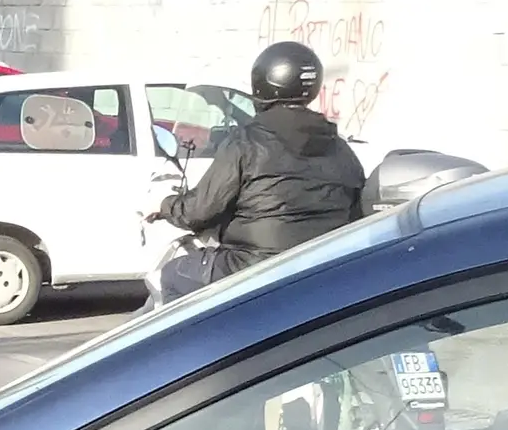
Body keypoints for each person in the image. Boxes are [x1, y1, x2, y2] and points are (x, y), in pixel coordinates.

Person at [158, 40, 369, 282]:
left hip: (253, 268)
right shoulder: (340, 147)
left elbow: (199, 211)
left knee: (171, 276)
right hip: (321, 270)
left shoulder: (247, 142)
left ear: (261, 83)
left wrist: (164, 206)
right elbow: (356, 213)